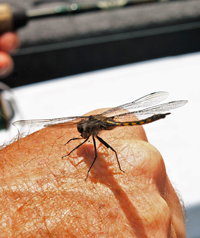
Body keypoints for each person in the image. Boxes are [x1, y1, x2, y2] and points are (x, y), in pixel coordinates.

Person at [0, 34, 186, 237]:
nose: (81, 132)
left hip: (122, 120)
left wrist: (92, 172)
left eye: (82, 131)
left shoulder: (95, 131)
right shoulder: (87, 128)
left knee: (106, 151)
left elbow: (96, 154)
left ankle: (158, 117)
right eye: (82, 130)